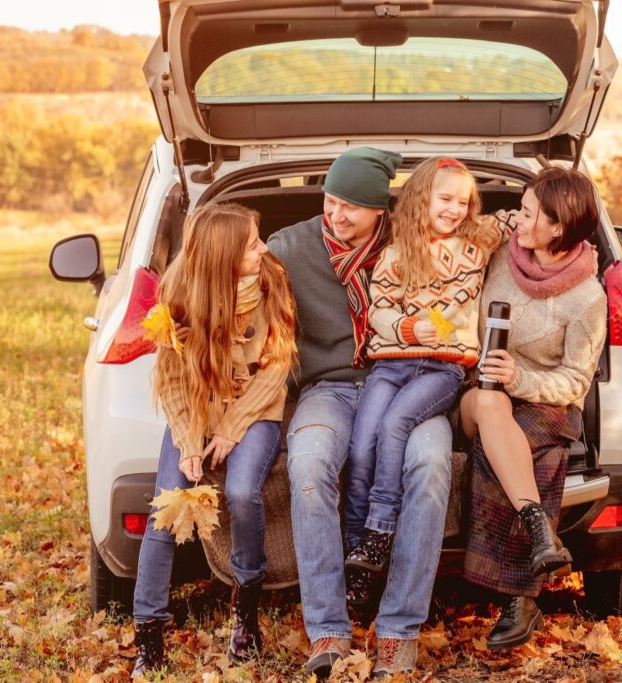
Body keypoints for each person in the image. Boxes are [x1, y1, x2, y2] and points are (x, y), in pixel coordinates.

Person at [265, 148, 454, 679]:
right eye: (330, 199)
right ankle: (328, 628)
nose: (336, 214)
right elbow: (231, 290)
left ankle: (398, 628)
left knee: (432, 465)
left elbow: (482, 243)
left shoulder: (415, 243)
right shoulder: (290, 248)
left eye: (351, 206)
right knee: (308, 464)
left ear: (380, 211)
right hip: (330, 389)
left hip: (407, 386)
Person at [132, 203, 298, 675]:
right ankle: (148, 634)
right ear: (223, 256)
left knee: (244, 492)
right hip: (197, 412)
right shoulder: (178, 293)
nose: (263, 248)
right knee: (167, 507)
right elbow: (171, 380)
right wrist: (188, 442)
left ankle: (245, 612)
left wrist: (232, 428)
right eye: (251, 244)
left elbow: (276, 370)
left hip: (254, 411)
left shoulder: (271, 283)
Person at [458, 167, 608, 650]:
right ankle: (539, 533)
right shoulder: (501, 252)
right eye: (519, 209)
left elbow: (576, 380)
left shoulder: (587, 297)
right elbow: (451, 241)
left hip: (543, 399)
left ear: (558, 227)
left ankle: (519, 598)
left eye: (527, 213)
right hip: (475, 391)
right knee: (490, 407)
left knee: (531, 450)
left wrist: (520, 377)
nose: (518, 220)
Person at [343, 158, 505, 603]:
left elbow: (532, 219)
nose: (455, 209)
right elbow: (377, 310)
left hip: (443, 368)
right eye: (445, 199)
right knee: (360, 447)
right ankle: (357, 553)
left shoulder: (479, 241)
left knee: (395, 424)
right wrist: (409, 328)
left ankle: (379, 529)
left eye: (463, 201)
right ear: (421, 199)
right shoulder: (397, 253)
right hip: (391, 363)